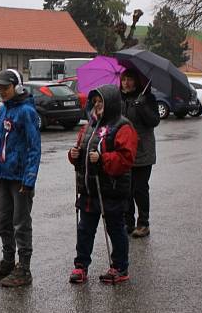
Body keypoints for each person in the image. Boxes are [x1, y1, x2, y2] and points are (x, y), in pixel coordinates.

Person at [68, 85, 138, 284]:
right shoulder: (89, 125)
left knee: (115, 229)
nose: (97, 105)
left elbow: (126, 159)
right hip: (90, 190)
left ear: (112, 104)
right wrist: (74, 155)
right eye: (95, 102)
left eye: (101, 102)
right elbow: (81, 151)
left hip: (112, 189)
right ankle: (81, 266)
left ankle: (120, 267)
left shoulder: (123, 126)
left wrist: (102, 159)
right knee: (84, 230)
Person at [0, 69, 41, 287]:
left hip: (21, 179)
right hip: (5, 176)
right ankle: (8, 262)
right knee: (3, 221)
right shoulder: (3, 111)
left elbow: (35, 148)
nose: (1, 92)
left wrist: (30, 178)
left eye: (5, 88)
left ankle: (24, 269)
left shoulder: (27, 112)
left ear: (17, 87)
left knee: (21, 223)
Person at [119, 70, 160, 238]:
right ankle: (127, 222)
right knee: (126, 189)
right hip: (124, 150)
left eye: (129, 80)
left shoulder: (147, 99)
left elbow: (154, 121)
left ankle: (143, 223)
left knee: (140, 188)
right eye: (124, 79)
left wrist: (142, 106)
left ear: (136, 82)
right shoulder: (119, 99)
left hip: (143, 151)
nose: (126, 83)